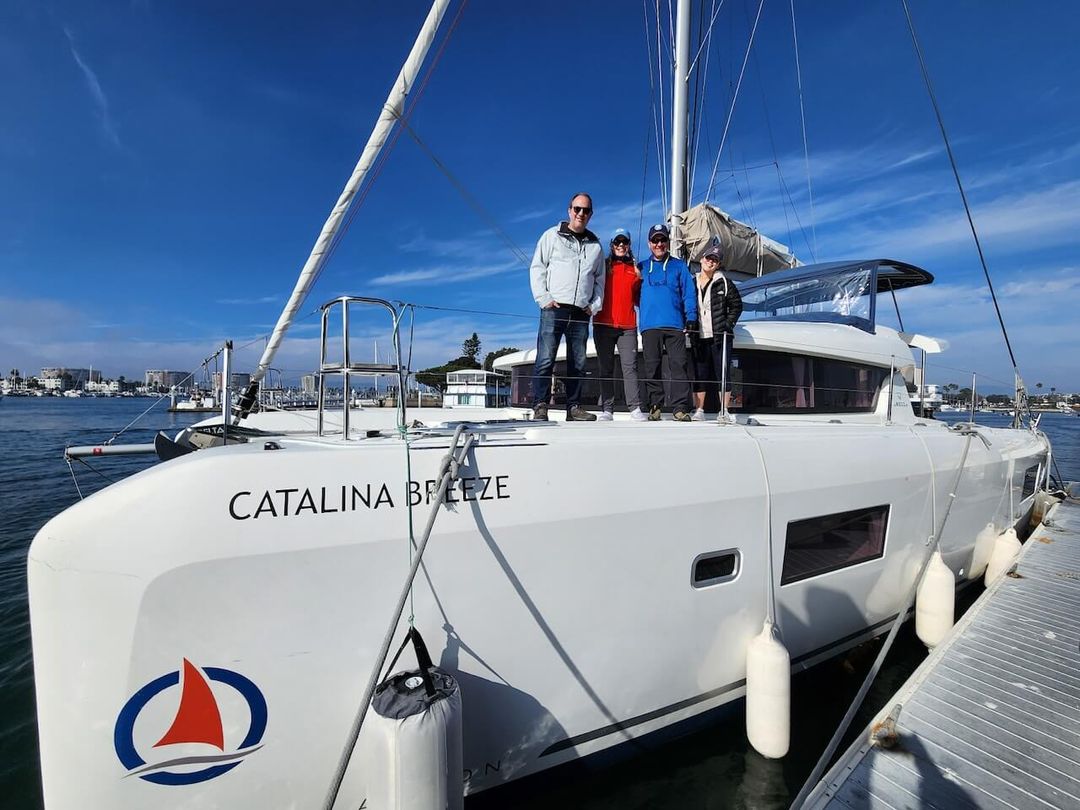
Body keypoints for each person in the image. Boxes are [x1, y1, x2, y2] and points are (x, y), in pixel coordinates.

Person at [528, 193, 605, 421]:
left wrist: (594, 305)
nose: (581, 213)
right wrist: (544, 298)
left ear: (591, 214)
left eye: (586, 210)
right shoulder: (551, 236)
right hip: (554, 307)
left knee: (578, 362)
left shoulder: (596, 246)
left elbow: (600, 280)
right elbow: (537, 267)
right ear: (569, 210)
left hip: (581, 311)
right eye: (577, 209)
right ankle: (540, 405)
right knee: (545, 358)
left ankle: (574, 407)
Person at [637, 224, 697, 422]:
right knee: (651, 367)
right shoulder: (641, 268)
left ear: (668, 242)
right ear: (649, 243)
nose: (659, 244)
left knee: (679, 365)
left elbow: (689, 293)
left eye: (663, 240)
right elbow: (634, 293)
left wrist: (691, 317)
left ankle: (680, 407)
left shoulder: (679, 266)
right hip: (649, 325)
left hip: (675, 324)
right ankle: (655, 406)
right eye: (655, 240)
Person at [593, 228, 646, 421]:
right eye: (617, 242)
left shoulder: (635, 270)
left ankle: (635, 408)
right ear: (612, 245)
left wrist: (640, 279)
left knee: (630, 367)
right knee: (605, 368)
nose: (621, 245)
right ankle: (607, 409)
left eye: (624, 242)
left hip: (627, 326)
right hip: (603, 324)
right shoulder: (603, 267)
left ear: (629, 245)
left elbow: (639, 300)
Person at [691, 243, 743, 420]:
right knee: (700, 373)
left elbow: (737, 305)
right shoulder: (691, 283)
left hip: (720, 336)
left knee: (723, 372)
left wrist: (728, 324)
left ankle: (724, 410)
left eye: (715, 260)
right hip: (699, 335)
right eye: (708, 258)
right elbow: (685, 305)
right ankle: (699, 410)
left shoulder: (725, 283)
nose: (710, 262)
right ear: (701, 259)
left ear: (718, 264)